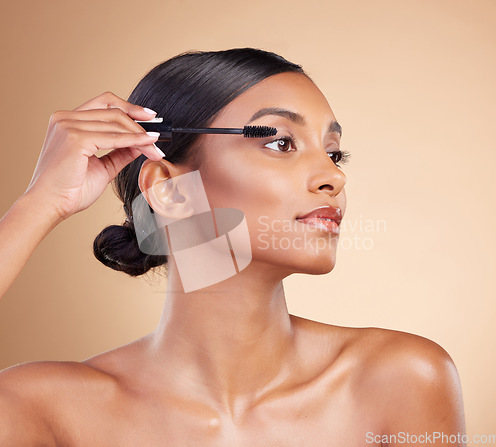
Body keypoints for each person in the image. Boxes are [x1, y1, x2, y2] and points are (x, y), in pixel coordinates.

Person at [0, 48, 466, 446]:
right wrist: (41, 203)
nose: (334, 176)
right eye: (281, 143)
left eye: (333, 151)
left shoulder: (401, 380)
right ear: (170, 189)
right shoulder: (42, 409)